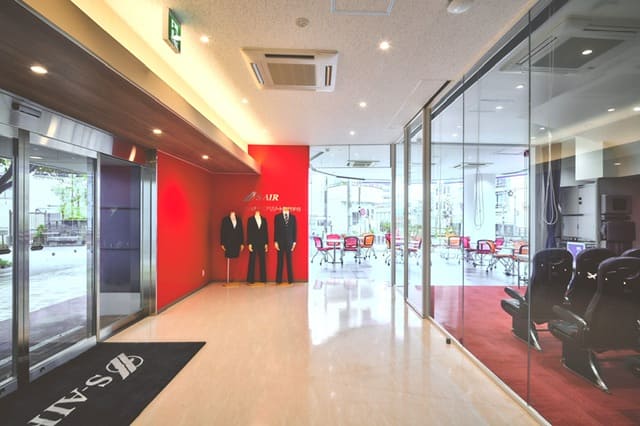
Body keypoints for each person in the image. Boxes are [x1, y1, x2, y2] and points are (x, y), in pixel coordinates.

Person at [274, 207, 297, 284]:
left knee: (289, 261)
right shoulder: (277, 217)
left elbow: (294, 230)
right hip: (280, 242)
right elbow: (276, 230)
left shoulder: (293, 217)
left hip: (289, 242)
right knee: (280, 261)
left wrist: (294, 242)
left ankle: (290, 280)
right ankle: (278, 280)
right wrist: (275, 241)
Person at [246, 210, 268, 283]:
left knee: (262, 261)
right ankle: (250, 279)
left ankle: (263, 279)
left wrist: (266, 243)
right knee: (252, 260)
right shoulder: (250, 220)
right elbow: (249, 231)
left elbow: (265, 232)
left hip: (262, 242)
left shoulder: (264, 219)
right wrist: (249, 243)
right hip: (253, 242)